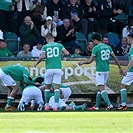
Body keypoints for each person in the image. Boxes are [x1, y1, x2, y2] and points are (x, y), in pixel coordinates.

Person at [78, 33, 122, 110]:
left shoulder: (96, 48)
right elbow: (115, 58)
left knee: (101, 88)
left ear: (95, 40)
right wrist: (120, 67)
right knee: (100, 88)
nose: (93, 43)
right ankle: (96, 106)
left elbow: (90, 61)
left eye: (93, 41)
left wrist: (82, 62)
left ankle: (109, 104)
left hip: (100, 70)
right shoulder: (108, 47)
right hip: (106, 70)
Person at [34, 33, 69, 111]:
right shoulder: (59, 45)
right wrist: (62, 56)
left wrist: (36, 63)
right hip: (58, 68)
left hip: (49, 69)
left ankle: (46, 106)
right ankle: (55, 106)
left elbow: (42, 57)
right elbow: (67, 53)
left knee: (47, 88)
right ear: (53, 39)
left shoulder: (45, 46)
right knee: (56, 88)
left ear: (46, 39)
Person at [117, 33, 133, 111]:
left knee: (123, 86)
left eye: (127, 39)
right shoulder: (131, 48)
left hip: (131, 71)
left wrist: (126, 69)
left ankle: (123, 105)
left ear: (130, 39)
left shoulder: (132, 48)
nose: (127, 41)